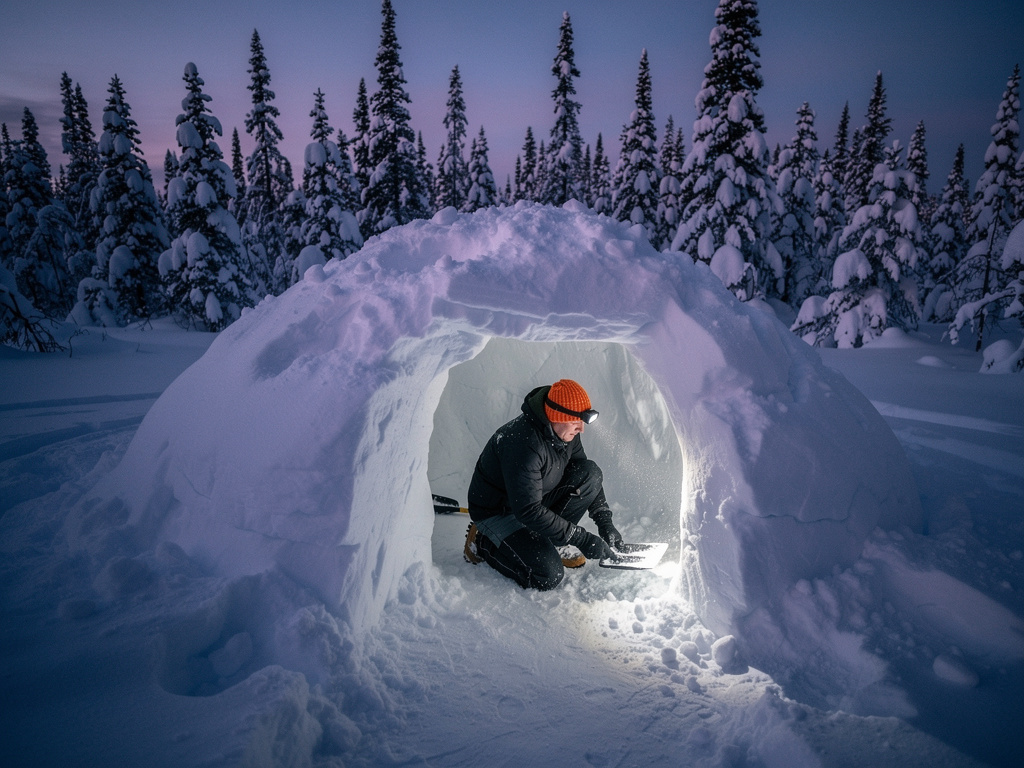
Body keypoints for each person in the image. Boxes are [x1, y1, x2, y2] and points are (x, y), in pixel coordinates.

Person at [463, 378, 623, 590]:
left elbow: (585, 472)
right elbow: (528, 510)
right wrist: (581, 539)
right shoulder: (524, 444)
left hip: (532, 500)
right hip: (499, 512)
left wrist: (605, 522)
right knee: (547, 575)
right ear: (557, 416)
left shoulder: (565, 433)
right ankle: (484, 543)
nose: (581, 429)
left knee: (590, 472)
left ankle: (548, 542)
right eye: (576, 421)